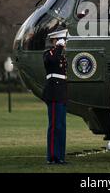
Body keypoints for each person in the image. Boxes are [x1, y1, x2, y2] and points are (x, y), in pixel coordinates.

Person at [42, 29, 68, 164]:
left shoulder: (61, 55)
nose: (64, 43)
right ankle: (52, 157)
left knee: (62, 127)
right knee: (54, 126)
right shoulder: (49, 53)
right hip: (53, 93)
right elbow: (52, 61)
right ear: (55, 41)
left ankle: (60, 157)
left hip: (61, 93)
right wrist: (58, 47)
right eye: (62, 40)